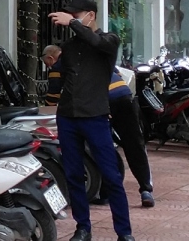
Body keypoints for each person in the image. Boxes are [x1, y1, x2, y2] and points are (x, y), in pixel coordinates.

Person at [49, 0, 135, 241]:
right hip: (68, 117)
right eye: (71, 16)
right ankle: (82, 227)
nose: (72, 19)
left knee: (111, 175)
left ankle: (124, 232)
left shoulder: (108, 40)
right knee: (74, 175)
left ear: (91, 15)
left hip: (95, 116)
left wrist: (74, 24)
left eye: (76, 15)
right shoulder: (69, 46)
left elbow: (96, 42)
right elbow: (61, 76)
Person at [43, 44, 155, 208]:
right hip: (125, 97)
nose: (49, 66)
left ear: (51, 58)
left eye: (47, 63)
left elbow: (52, 97)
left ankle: (106, 193)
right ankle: (146, 189)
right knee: (134, 144)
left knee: (101, 146)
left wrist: (45, 109)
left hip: (102, 103)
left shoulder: (59, 65)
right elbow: (116, 74)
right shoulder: (92, 59)